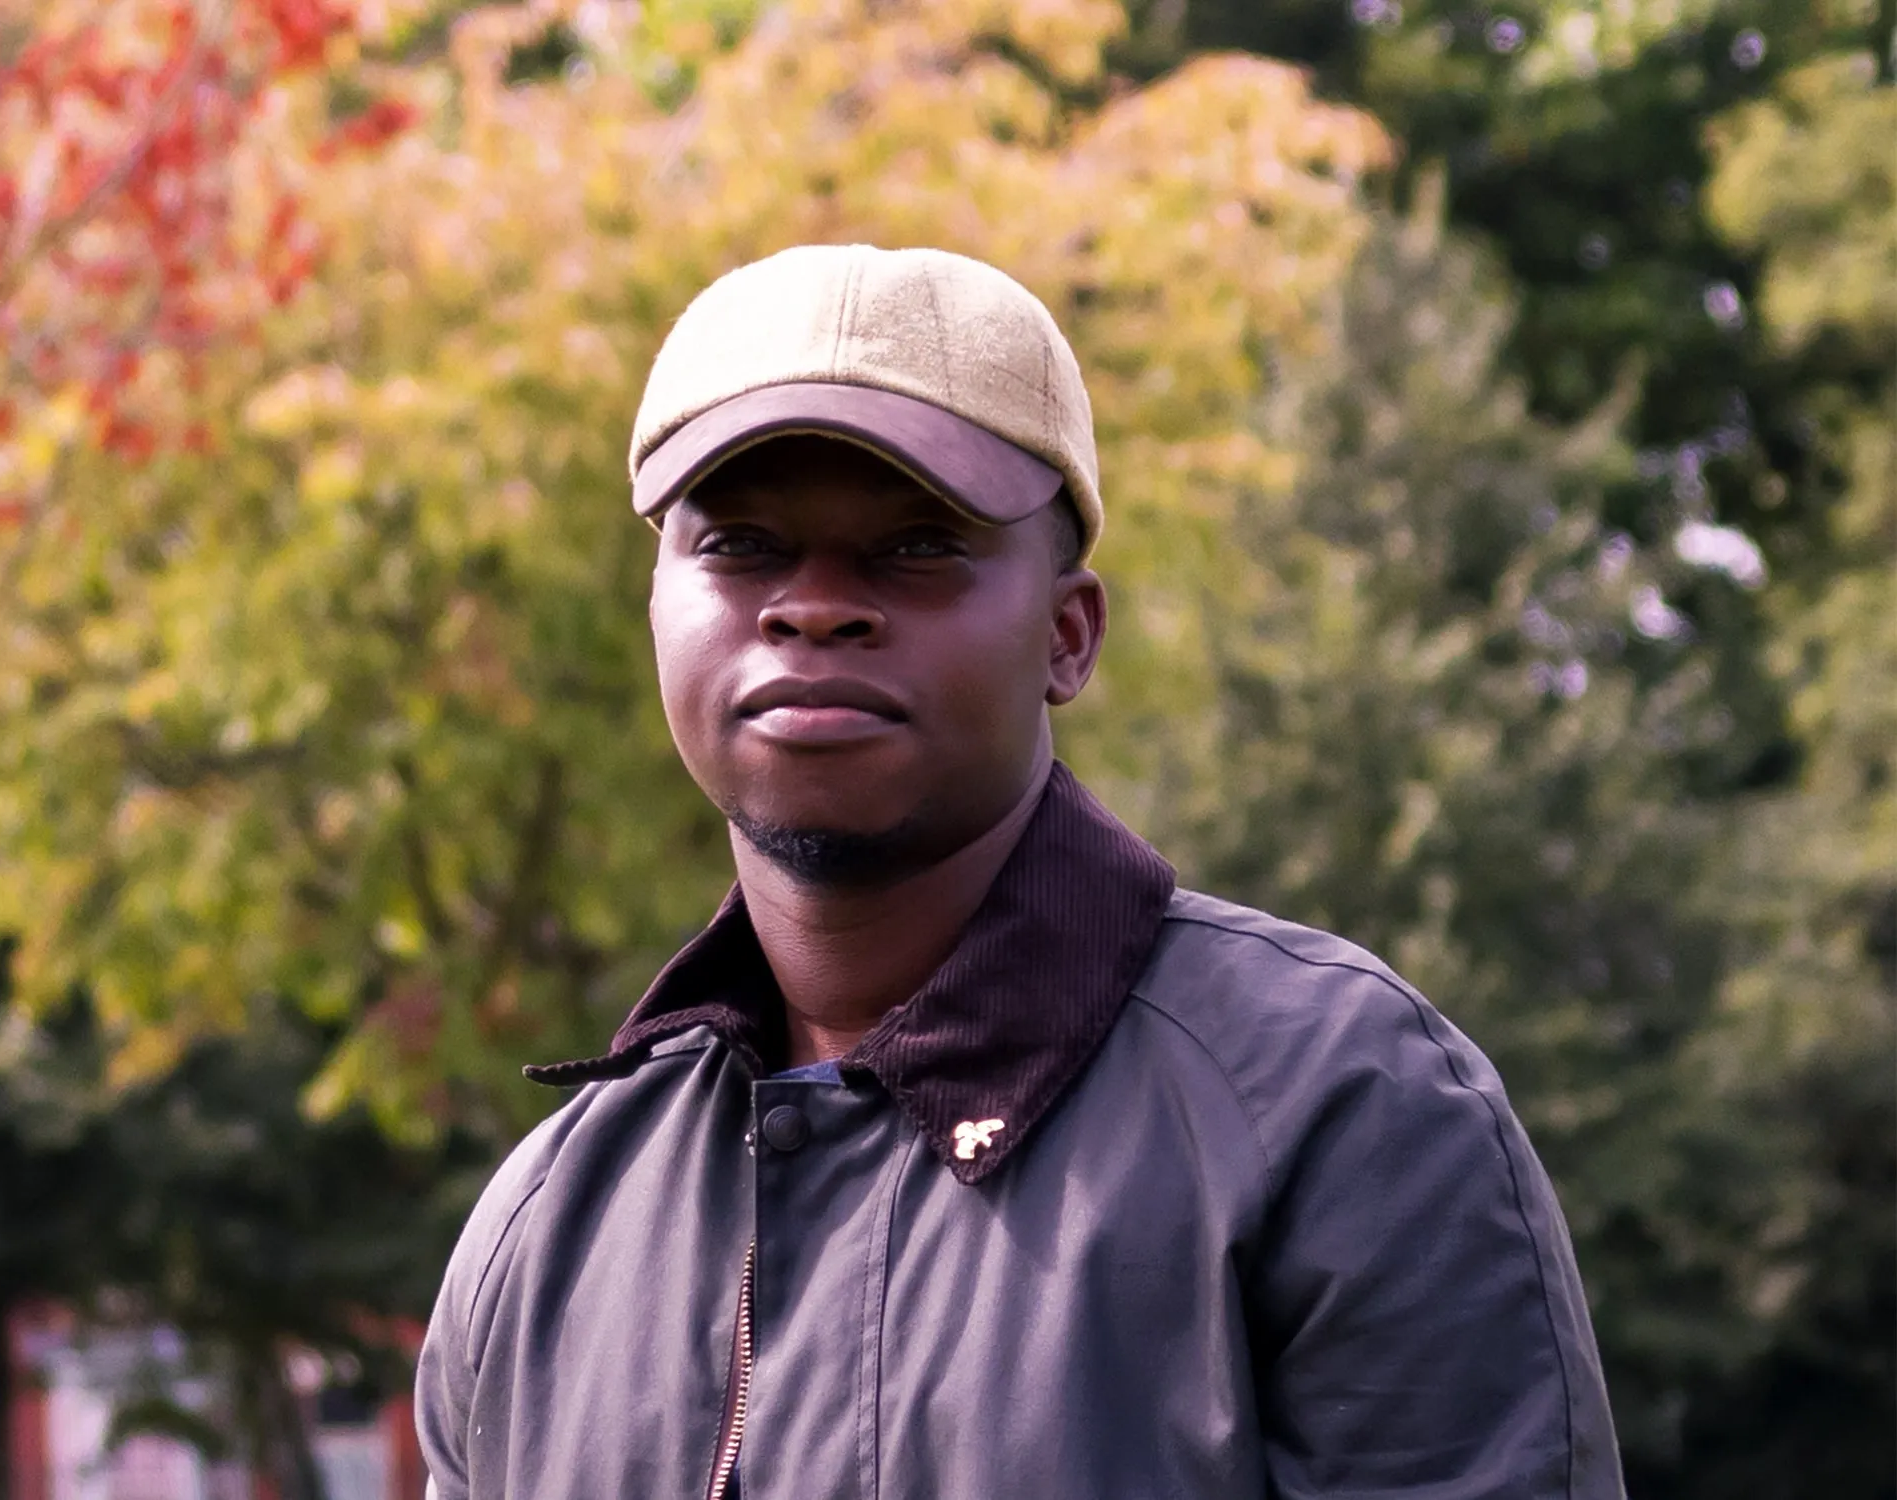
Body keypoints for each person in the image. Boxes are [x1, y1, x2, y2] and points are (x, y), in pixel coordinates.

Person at [415, 243, 1624, 1499]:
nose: (813, 606)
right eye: (741, 545)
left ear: (1067, 632)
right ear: (659, 608)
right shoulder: (544, 1226)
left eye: (918, 547)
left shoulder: (1342, 1108)